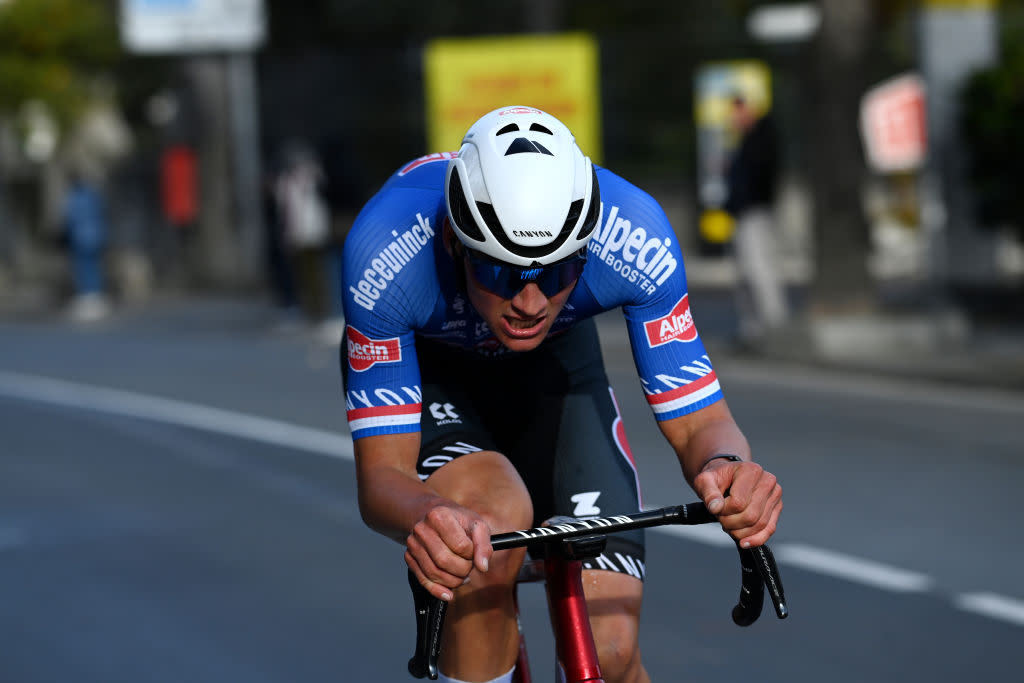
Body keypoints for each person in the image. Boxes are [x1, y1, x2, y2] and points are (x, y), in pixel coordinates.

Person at [341, 106, 783, 683]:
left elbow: (703, 425)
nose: (529, 303)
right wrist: (430, 517)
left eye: (555, 274)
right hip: (437, 373)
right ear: (454, 241)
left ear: (588, 244)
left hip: (558, 367)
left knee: (612, 653)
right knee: (486, 529)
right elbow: (382, 482)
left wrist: (731, 470)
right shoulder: (385, 254)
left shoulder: (636, 234)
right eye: (500, 273)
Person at [723, 94, 789, 347]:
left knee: (758, 269)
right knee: (749, 272)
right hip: (748, 212)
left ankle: (773, 326)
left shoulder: (758, 142)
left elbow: (754, 180)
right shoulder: (750, 142)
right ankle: (757, 328)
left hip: (754, 212)